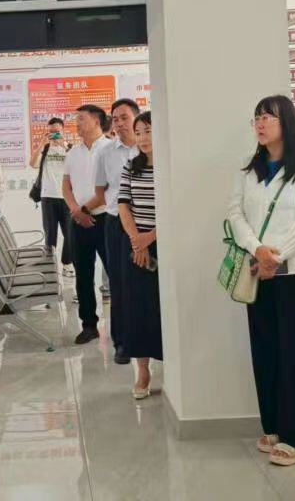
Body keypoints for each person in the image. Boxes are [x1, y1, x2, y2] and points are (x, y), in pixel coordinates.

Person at [227, 96, 295, 467]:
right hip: (258, 271)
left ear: (287, 121)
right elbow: (235, 214)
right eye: (257, 117)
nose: (260, 123)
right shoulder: (248, 169)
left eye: (268, 116)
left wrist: (277, 255)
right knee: (266, 350)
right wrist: (258, 250)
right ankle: (273, 425)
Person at [118, 111, 162, 400]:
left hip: (164, 243)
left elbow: (173, 207)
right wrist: (138, 241)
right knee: (138, 310)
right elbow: (124, 204)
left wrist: (150, 237)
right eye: (139, 132)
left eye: (148, 131)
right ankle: (143, 372)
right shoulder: (130, 166)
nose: (143, 138)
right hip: (136, 244)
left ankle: (172, 367)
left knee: (162, 307)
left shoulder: (168, 166)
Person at [95, 98, 141, 365]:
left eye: (124, 117)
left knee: (145, 282)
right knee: (119, 283)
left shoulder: (150, 148)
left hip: (146, 223)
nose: (120, 123)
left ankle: (149, 337)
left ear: (137, 118)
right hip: (116, 224)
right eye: (115, 119)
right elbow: (101, 190)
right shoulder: (106, 153)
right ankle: (122, 342)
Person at [64, 104, 111, 345]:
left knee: (114, 274)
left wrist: (84, 210)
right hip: (78, 220)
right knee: (82, 274)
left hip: (105, 219)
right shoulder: (73, 152)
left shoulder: (110, 149)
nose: (77, 123)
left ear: (96, 121)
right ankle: (89, 325)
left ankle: (121, 326)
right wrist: (75, 210)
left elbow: (108, 189)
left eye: (81, 118)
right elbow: (66, 186)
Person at [31, 117, 74, 274]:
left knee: (70, 233)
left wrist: (65, 145)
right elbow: (32, 164)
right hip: (48, 196)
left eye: (57, 132)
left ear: (63, 130)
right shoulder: (45, 149)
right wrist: (42, 144)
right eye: (51, 132)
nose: (54, 135)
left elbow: (79, 165)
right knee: (50, 234)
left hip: (67, 197)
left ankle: (67, 264)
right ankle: (50, 266)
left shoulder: (70, 149)